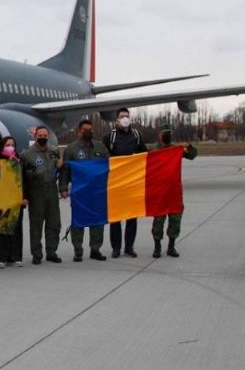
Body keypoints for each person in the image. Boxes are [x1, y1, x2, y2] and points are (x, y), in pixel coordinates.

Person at [59, 119, 109, 262]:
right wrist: (63, 188)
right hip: (79, 193)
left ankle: (95, 249)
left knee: (98, 222)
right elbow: (65, 171)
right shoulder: (71, 149)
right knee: (78, 222)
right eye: (85, 130)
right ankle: (78, 251)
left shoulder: (100, 147)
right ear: (78, 131)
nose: (88, 132)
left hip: (97, 193)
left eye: (90, 130)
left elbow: (109, 166)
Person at [102, 107, 148, 258]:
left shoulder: (137, 135)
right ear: (116, 120)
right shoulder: (110, 137)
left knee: (131, 216)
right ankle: (116, 247)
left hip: (133, 182)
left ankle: (129, 246)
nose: (125, 119)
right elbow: (103, 159)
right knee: (116, 216)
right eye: (122, 116)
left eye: (127, 116)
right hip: (116, 182)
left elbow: (144, 155)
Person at [150, 124, 198, 258]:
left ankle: (171, 246)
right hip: (159, 190)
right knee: (158, 220)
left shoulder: (175, 149)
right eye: (165, 133)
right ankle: (157, 247)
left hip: (174, 190)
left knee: (175, 219)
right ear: (159, 134)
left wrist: (188, 146)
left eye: (169, 133)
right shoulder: (153, 149)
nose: (167, 135)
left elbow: (193, 155)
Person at [19, 126, 63, 265]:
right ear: (35, 136)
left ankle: (51, 252)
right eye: (40, 135)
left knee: (54, 223)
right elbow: (22, 178)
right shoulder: (27, 154)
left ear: (48, 136)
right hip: (36, 191)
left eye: (45, 135)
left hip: (51, 189)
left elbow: (62, 170)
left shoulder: (54, 151)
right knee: (36, 224)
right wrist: (24, 195)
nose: (42, 137)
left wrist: (62, 185)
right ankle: (36, 254)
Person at [0, 136, 25, 268]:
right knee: (2, 228)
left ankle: (15, 256)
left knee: (16, 228)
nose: (10, 147)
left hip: (17, 199)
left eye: (12, 145)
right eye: (7, 145)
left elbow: (25, 180)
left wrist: (25, 197)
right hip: (2, 200)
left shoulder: (19, 161)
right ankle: (0, 257)